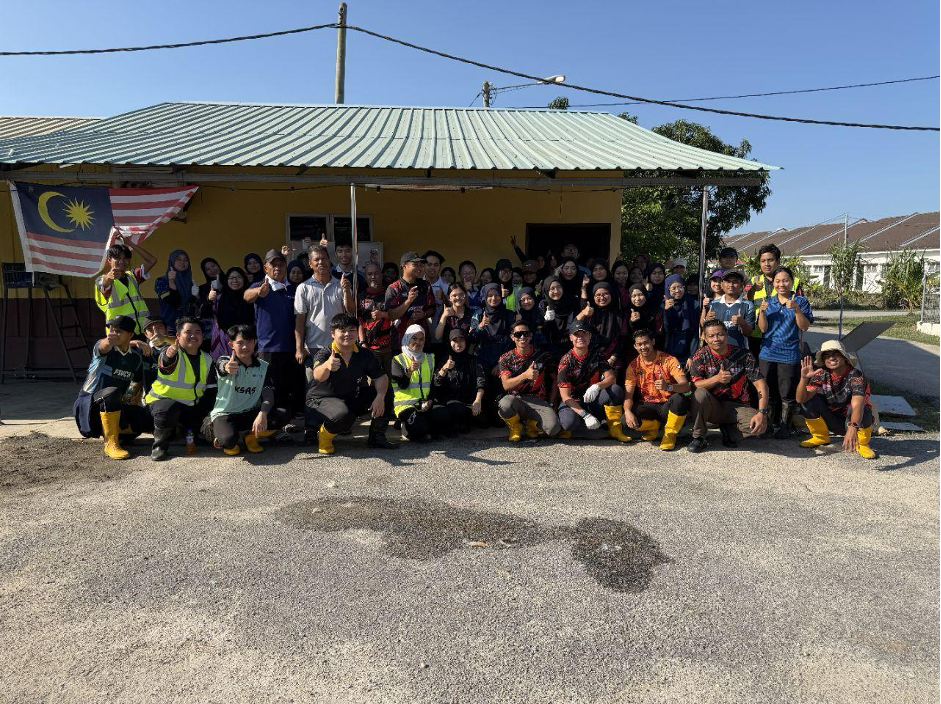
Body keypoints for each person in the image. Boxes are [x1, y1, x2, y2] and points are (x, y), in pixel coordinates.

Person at [305, 313, 398, 455]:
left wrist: (380, 396)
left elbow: (381, 377)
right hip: (320, 400)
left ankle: (377, 437)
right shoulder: (324, 354)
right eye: (342, 330)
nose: (347, 334)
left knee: (385, 390)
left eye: (351, 330)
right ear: (333, 333)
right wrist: (327, 366)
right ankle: (323, 435)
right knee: (343, 415)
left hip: (349, 398)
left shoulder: (364, 354)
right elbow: (318, 376)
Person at [73, 315, 154, 459]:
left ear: (130, 334)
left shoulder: (135, 358)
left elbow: (136, 382)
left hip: (115, 406)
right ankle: (111, 443)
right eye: (112, 330)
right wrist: (109, 341)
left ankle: (119, 433)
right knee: (112, 393)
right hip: (89, 407)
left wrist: (129, 399)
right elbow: (103, 346)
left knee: (148, 417)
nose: (114, 334)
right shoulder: (103, 349)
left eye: (119, 331)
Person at [687, 319, 769, 452]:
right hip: (712, 406)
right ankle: (699, 437)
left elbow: (760, 384)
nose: (716, 339)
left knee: (761, 428)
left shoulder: (744, 355)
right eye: (711, 336)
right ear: (705, 338)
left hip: (737, 406)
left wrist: (762, 413)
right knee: (700, 393)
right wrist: (717, 379)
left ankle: (729, 431)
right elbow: (695, 385)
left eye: (720, 334)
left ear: (727, 334)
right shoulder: (700, 355)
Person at [205, 324, 288, 455]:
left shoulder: (263, 366)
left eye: (249, 342)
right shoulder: (225, 360)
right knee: (228, 441)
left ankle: (251, 436)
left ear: (255, 342)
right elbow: (222, 365)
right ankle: (214, 429)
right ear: (231, 345)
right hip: (225, 414)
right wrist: (227, 367)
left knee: (282, 414)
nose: (245, 347)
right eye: (240, 343)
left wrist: (263, 413)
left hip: (250, 412)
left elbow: (268, 396)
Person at [245, 249, 305, 421]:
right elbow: (246, 296)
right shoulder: (260, 286)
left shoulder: (293, 289)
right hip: (267, 348)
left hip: (290, 347)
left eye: (281, 264)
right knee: (270, 389)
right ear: (266, 268)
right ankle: (268, 421)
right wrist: (259, 291)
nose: (277, 268)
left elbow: (299, 319)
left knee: (288, 387)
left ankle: (284, 421)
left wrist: (299, 347)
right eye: (273, 265)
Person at [145, 316, 216, 461]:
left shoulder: (207, 358)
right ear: (177, 335)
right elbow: (165, 363)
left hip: (189, 404)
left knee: (209, 403)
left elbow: (210, 387)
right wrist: (169, 356)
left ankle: (188, 432)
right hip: (162, 402)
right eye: (188, 332)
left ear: (203, 336)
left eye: (197, 332)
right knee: (168, 408)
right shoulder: (171, 351)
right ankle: (159, 446)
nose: (193, 336)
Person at [757, 266, 813, 438]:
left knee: (787, 392)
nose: (782, 284)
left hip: (789, 353)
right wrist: (762, 312)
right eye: (778, 281)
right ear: (773, 283)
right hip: (768, 352)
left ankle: (785, 427)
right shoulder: (768, 301)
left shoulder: (801, 301)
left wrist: (796, 309)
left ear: (792, 282)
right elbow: (763, 329)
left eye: (785, 280)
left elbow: (804, 327)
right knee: (768, 390)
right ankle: (767, 426)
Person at [796, 340, 877, 459]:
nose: (831, 358)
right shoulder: (822, 373)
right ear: (823, 360)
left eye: (835, 353)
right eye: (827, 355)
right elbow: (800, 399)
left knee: (863, 408)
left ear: (844, 357)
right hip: (834, 420)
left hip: (854, 422)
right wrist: (803, 379)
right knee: (810, 400)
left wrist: (853, 426)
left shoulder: (856, 376)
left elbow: (858, 405)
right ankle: (820, 437)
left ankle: (862, 443)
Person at [556, 319, 631, 442]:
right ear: (571, 338)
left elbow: (611, 377)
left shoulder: (597, 355)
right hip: (573, 401)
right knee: (569, 423)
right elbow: (565, 396)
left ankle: (615, 429)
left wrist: (597, 386)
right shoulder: (565, 361)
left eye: (584, 334)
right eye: (577, 335)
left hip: (592, 399)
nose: (580, 338)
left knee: (616, 390)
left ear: (590, 336)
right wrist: (585, 415)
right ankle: (585, 427)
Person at [622, 329, 690, 450]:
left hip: (668, 406)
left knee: (679, 398)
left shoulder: (669, 360)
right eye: (639, 344)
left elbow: (686, 386)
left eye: (646, 342)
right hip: (648, 405)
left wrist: (668, 386)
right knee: (625, 421)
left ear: (653, 342)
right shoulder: (633, 366)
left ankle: (670, 435)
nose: (643, 347)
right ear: (635, 346)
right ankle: (653, 426)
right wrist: (627, 411)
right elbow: (629, 396)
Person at [497, 320, 561, 441]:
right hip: (516, 398)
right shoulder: (505, 358)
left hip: (538, 400)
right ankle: (515, 427)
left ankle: (531, 425)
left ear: (531, 336)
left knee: (554, 428)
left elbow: (555, 379)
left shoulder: (543, 355)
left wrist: (552, 402)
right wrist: (525, 375)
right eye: (518, 334)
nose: (522, 337)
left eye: (526, 334)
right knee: (505, 404)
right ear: (512, 337)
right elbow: (506, 385)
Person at [295, 244, 354, 366]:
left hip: (339, 344)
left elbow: (351, 310)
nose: (321, 262)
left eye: (324, 258)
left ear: (329, 261)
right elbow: (300, 321)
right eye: (316, 259)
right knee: (314, 378)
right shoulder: (303, 288)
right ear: (310, 264)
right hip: (312, 346)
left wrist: (347, 291)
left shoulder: (341, 285)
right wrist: (299, 348)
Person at [391, 325, 451, 441]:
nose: (417, 342)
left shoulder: (429, 358)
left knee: (444, 416)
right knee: (420, 427)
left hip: (426, 403)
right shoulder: (397, 360)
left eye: (421, 339)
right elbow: (402, 385)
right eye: (414, 338)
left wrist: (430, 399)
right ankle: (406, 426)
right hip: (406, 405)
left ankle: (424, 427)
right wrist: (409, 371)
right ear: (407, 339)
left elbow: (434, 383)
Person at [747, 243, 803, 357]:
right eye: (763, 261)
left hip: (783, 337)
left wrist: (801, 339)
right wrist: (753, 289)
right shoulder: (753, 281)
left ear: (778, 261)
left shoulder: (793, 282)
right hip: (756, 336)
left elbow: (801, 311)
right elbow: (744, 303)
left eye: (770, 260)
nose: (766, 264)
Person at [470, 283, 516, 422]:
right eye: (490, 295)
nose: (494, 298)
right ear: (484, 297)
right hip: (482, 359)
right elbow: (471, 338)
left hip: (502, 361)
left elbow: (513, 342)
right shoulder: (479, 314)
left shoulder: (509, 314)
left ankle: (500, 415)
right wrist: (480, 326)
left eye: (496, 295)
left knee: (500, 394)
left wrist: (500, 363)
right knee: (483, 390)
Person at [94, 238, 157, 335]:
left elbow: (152, 260)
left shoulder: (133, 276)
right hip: (119, 334)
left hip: (141, 331)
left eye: (125, 258)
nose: (122, 261)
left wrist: (130, 243)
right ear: (109, 260)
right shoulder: (102, 280)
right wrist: (109, 276)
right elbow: (104, 284)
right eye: (117, 258)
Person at [433, 329, 488, 432]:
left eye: (461, 340)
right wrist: (445, 368)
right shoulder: (444, 360)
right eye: (455, 340)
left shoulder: (472, 360)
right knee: (456, 410)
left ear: (466, 341)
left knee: (483, 420)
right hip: (450, 402)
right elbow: (436, 382)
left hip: (469, 402)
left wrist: (478, 400)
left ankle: (461, 422)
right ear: (450, 342)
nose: (458, 343)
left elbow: (481, 381)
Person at [386, 251, 436, 347]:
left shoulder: (426, 285)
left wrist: (424, 314)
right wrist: (409, 301)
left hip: (422, 341)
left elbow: (433, 309)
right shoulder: (394, 288)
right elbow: (391, 315)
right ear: (404, 265)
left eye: (421, 265)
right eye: (415, 265)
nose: (419, 268)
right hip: (401, 341)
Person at [576, 281, 627, 371]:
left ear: (611, 295)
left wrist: (613, 358)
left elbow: (623, 340)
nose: (602, 298)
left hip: (613, 359)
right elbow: (575, 327)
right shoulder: (590, 314)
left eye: (605, 294)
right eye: (598, 295)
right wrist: (583, 313)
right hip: (590, 358)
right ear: (593, 297)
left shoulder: (620, 316)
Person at [207, 266, 255, 360]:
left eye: (239, 277)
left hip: (247, 340)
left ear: (244, 279)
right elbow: (206, 312)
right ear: (226, 280)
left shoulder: (251, 297)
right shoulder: (220, 297)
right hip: (224, 341)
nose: (235, 280)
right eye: (231, 278)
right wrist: (209, 300)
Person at [358, 261, 395, 379]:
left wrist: (383, 315)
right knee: (374, 382)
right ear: (365, 277)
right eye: (369, 274)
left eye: (376, 273)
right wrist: (363, 343)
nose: (373, 277)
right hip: (370, 348)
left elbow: (398, 315)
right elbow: (359, 322)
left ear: (382, 275)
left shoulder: (390, 293)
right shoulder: (361, 296)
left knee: (392, 381)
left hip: (390, 347)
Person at [703, 269, 754, 350]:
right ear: (722, 284)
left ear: (742, 285)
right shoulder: (712, 304)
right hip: (716, 352)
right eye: (728, 281)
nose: (731, 285)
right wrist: (707, 320)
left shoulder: (748, 305)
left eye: (735, 281)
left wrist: (742, 323)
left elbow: (748, 333)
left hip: (739, 351)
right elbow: (705, 329)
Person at [154, 249, 198, 334]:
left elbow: (193, 306)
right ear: (172, 262)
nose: (182, 262)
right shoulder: (162, 281)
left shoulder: (190, 282)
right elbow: (174, 302)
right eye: (178, 259)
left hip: (187, 327)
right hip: (169, 327)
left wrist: (197, 296)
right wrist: (171, 281)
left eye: (185, 260)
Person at [662, 274, 699, 366]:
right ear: (667, 289)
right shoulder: (663, 305)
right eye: (673, 288)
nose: (677, 290)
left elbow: (695, 332)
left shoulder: (693, 304)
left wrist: (692, 356)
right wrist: (666, 311)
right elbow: (665, 329)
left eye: (680, 287)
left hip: (687, 350)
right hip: (668, 351)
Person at [538, 275, 576, 363]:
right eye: (552, 288)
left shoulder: (572, 302)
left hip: (571, 346)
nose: (556, 291)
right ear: (546, 290)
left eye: (559, 287)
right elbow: (542, 332)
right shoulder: (543, 305)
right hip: (550, 348)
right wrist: (546, 321)